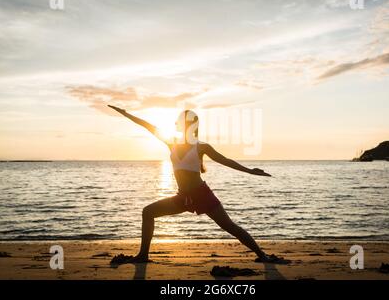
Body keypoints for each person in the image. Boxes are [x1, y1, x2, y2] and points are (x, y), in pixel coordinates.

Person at [108, 105, 279, 263]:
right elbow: (148, 126)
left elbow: (225, 160)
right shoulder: (171, 142)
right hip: (183, 197)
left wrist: (250, 171)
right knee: (148, 212)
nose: (175, 123)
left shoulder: (201, 146)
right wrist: (126, 114)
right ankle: (143, 256)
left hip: (202, 195)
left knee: (229, 226)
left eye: (178, 121)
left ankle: (262, 255)